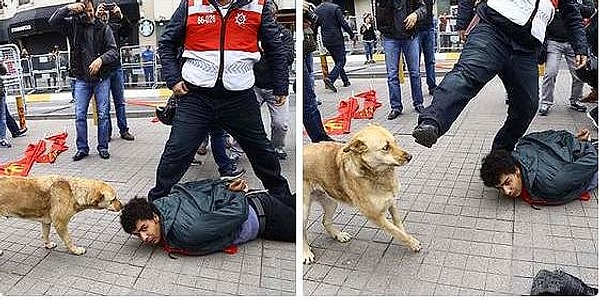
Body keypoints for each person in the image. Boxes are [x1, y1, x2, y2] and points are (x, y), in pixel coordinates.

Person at [150, 0, 293, 202]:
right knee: (177, 151)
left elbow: (275, 48)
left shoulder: (258, 5)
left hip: (239, 96)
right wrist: (173, 78)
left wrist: (280, 85)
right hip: (195, 96)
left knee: (262, 151)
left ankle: (283, 199)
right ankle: (156, 203)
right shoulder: (191, 3)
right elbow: (166, 42)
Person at [413, 0, 589, 151]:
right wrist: (462, 22)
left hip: (527, 47)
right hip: (493, 28)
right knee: (466, 75)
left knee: (527, 105)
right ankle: (432, 123)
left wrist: (580, 46)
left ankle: (501, 153)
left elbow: (571, 13)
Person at [120, 178, 295, 255]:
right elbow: (201, 186)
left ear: (155, 217)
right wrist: (226, 186)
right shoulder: (166, 201)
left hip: (267, 216)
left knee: (303, 232)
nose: (144, 237)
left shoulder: (187, 232)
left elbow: (238, 213)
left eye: (144, 228)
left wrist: (239, 194)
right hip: (259, 202)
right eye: (137, 234)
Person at [49, 0, 118, 160]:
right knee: (79, 115)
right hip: (81, 79)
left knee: (103, 115)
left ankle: (103, 147)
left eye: (90, 9)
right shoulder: (73, 26)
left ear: (93, 8)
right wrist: (67, 8)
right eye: (84, 10)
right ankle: (82, 148)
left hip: (101, 79)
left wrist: (100, 60)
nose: (88, 13)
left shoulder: (103, 27)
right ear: (78, 10)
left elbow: (114, 51)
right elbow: (52, 21)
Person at [480, 128, 597, 206]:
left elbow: (593, 160)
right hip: (572, 157)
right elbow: (557, 135)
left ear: (516, 170)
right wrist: (574, 141)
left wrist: (584, 144)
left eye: (507, 182)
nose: (507, 191)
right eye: (500, 188)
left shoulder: (552, 183)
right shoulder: (525, 142)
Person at [538, 2, 595, 116]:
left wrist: (571, 5)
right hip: (553, 41)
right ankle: (546, 102)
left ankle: (575, 100)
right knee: (550, 72)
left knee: (579, 73)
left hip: (573, 42)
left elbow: (590, 10)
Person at [254, 2, 293, 159]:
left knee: (280, 123)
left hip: (275, 86)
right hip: (253, 85)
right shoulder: (252, 32)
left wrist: (270, 50)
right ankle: (238, 148)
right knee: (243, 119)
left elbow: (288, 57)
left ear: (275, 16)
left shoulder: (284, 34)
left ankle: (277, 147)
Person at [378, 0, 427, 120]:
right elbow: (378, 14)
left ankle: (418, 103)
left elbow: (424, 9)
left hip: (410, 37)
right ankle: (396, 107)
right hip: (390, 38)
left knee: (415, 73)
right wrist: (382, 31)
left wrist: (416, 14)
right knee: (392, 74)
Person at [96, 2, 135, 141]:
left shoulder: (114, 26)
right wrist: (95, 17)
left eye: (107, 11)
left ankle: (124, 130)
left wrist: (121, 16)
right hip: (102, 72)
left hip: (116, 68)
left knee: (120, 102)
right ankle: (107, 132)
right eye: (102, 10)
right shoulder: (94, 27)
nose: (104, 13)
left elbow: (129, 30)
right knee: (104, 104)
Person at [304, 1, 336, 142]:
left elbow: (315, 22)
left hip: (307, 47)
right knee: (307, 99)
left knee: (309, 97)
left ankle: (320, 138)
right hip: (302, 47)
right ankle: (320, 139)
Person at [315, 0, 354, 93]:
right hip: (336, 37)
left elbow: (315, 26)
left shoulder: (317, 10)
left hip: (326, 39)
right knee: (342, 60)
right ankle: (330, 78)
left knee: (337, 61)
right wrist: (351, 34)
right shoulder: (335, 8)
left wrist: (314, 38)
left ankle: (345, 81)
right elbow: (343, 23)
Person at [417, 0, 437, 96]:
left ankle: (432, 86)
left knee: (430, 60)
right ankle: (417, 90)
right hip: (416, 30)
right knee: (415, 64)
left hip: (429, 27)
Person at [0, 63, 9, 148]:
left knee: (2, 117)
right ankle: (2, 138)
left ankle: (2, 138)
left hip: (0, 94)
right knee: (2, 117)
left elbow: (3, 71)